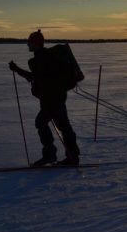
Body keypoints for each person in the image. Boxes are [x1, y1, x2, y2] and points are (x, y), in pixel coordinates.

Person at [9, 29, 80, 166]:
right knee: (63, 126)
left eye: (29, 42)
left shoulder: (39, 60)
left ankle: (51, 155)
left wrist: (16, 69)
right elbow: (38, 78)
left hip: (51, 100)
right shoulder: (46, 57)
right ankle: (71, 156)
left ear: (36, 44)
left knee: (42, 122)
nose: (28, 45)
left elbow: (33, 77)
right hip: (57, 97)